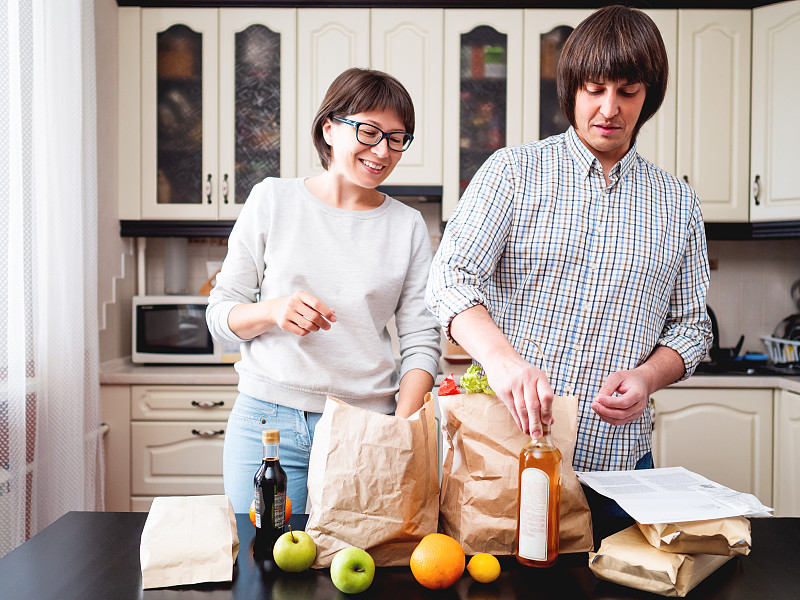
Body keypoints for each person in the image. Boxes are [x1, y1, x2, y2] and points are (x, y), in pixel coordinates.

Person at [425, 5, 712, 540]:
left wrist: (648, 378)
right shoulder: (514, 172)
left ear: (649, 96)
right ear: (571, 89)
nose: (609, 108)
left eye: (627, 91)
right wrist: (503, 360)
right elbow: (449, 278)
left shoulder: (678, 203)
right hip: (510, 454)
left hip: (621, 469)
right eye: (595, 88)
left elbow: (693, 328)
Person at [208, 68, 441, 515]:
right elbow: (220, 317)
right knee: (264, 568)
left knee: (356, 568)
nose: (382, 151)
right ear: (329, 127)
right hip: (267, 423)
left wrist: (401, 427)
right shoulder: (272, 200)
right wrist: (272, 311)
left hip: (365, 425)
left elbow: (421, 341)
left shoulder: (408, 226)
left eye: (397, 138)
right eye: (369, 131)